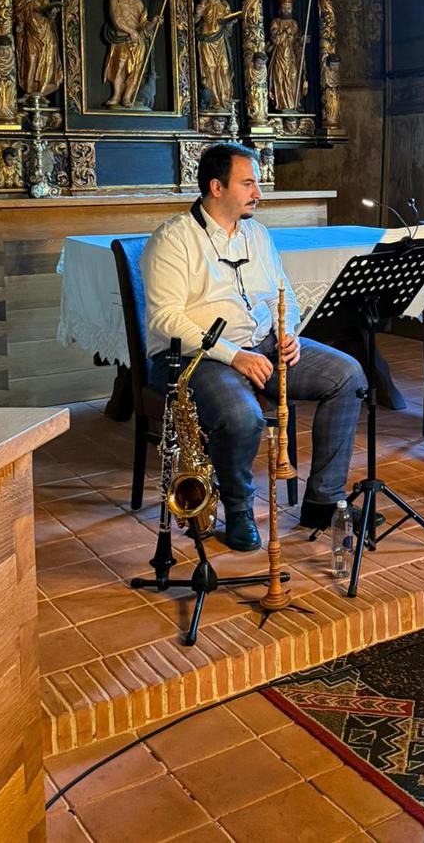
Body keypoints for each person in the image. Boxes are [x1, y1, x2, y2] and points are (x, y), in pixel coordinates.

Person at [141, 142, 366, 551]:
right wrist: (235, 356)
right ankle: (240, 510)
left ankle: (323, 499)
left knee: (348, 375)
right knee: (242, 417)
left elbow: (285, 294)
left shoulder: (257, 234)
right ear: (216, 187)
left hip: (263, 344)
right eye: (247, 184)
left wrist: (288, 331)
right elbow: (165, 320)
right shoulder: (173, 239)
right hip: (198, 357)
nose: (258, 193)